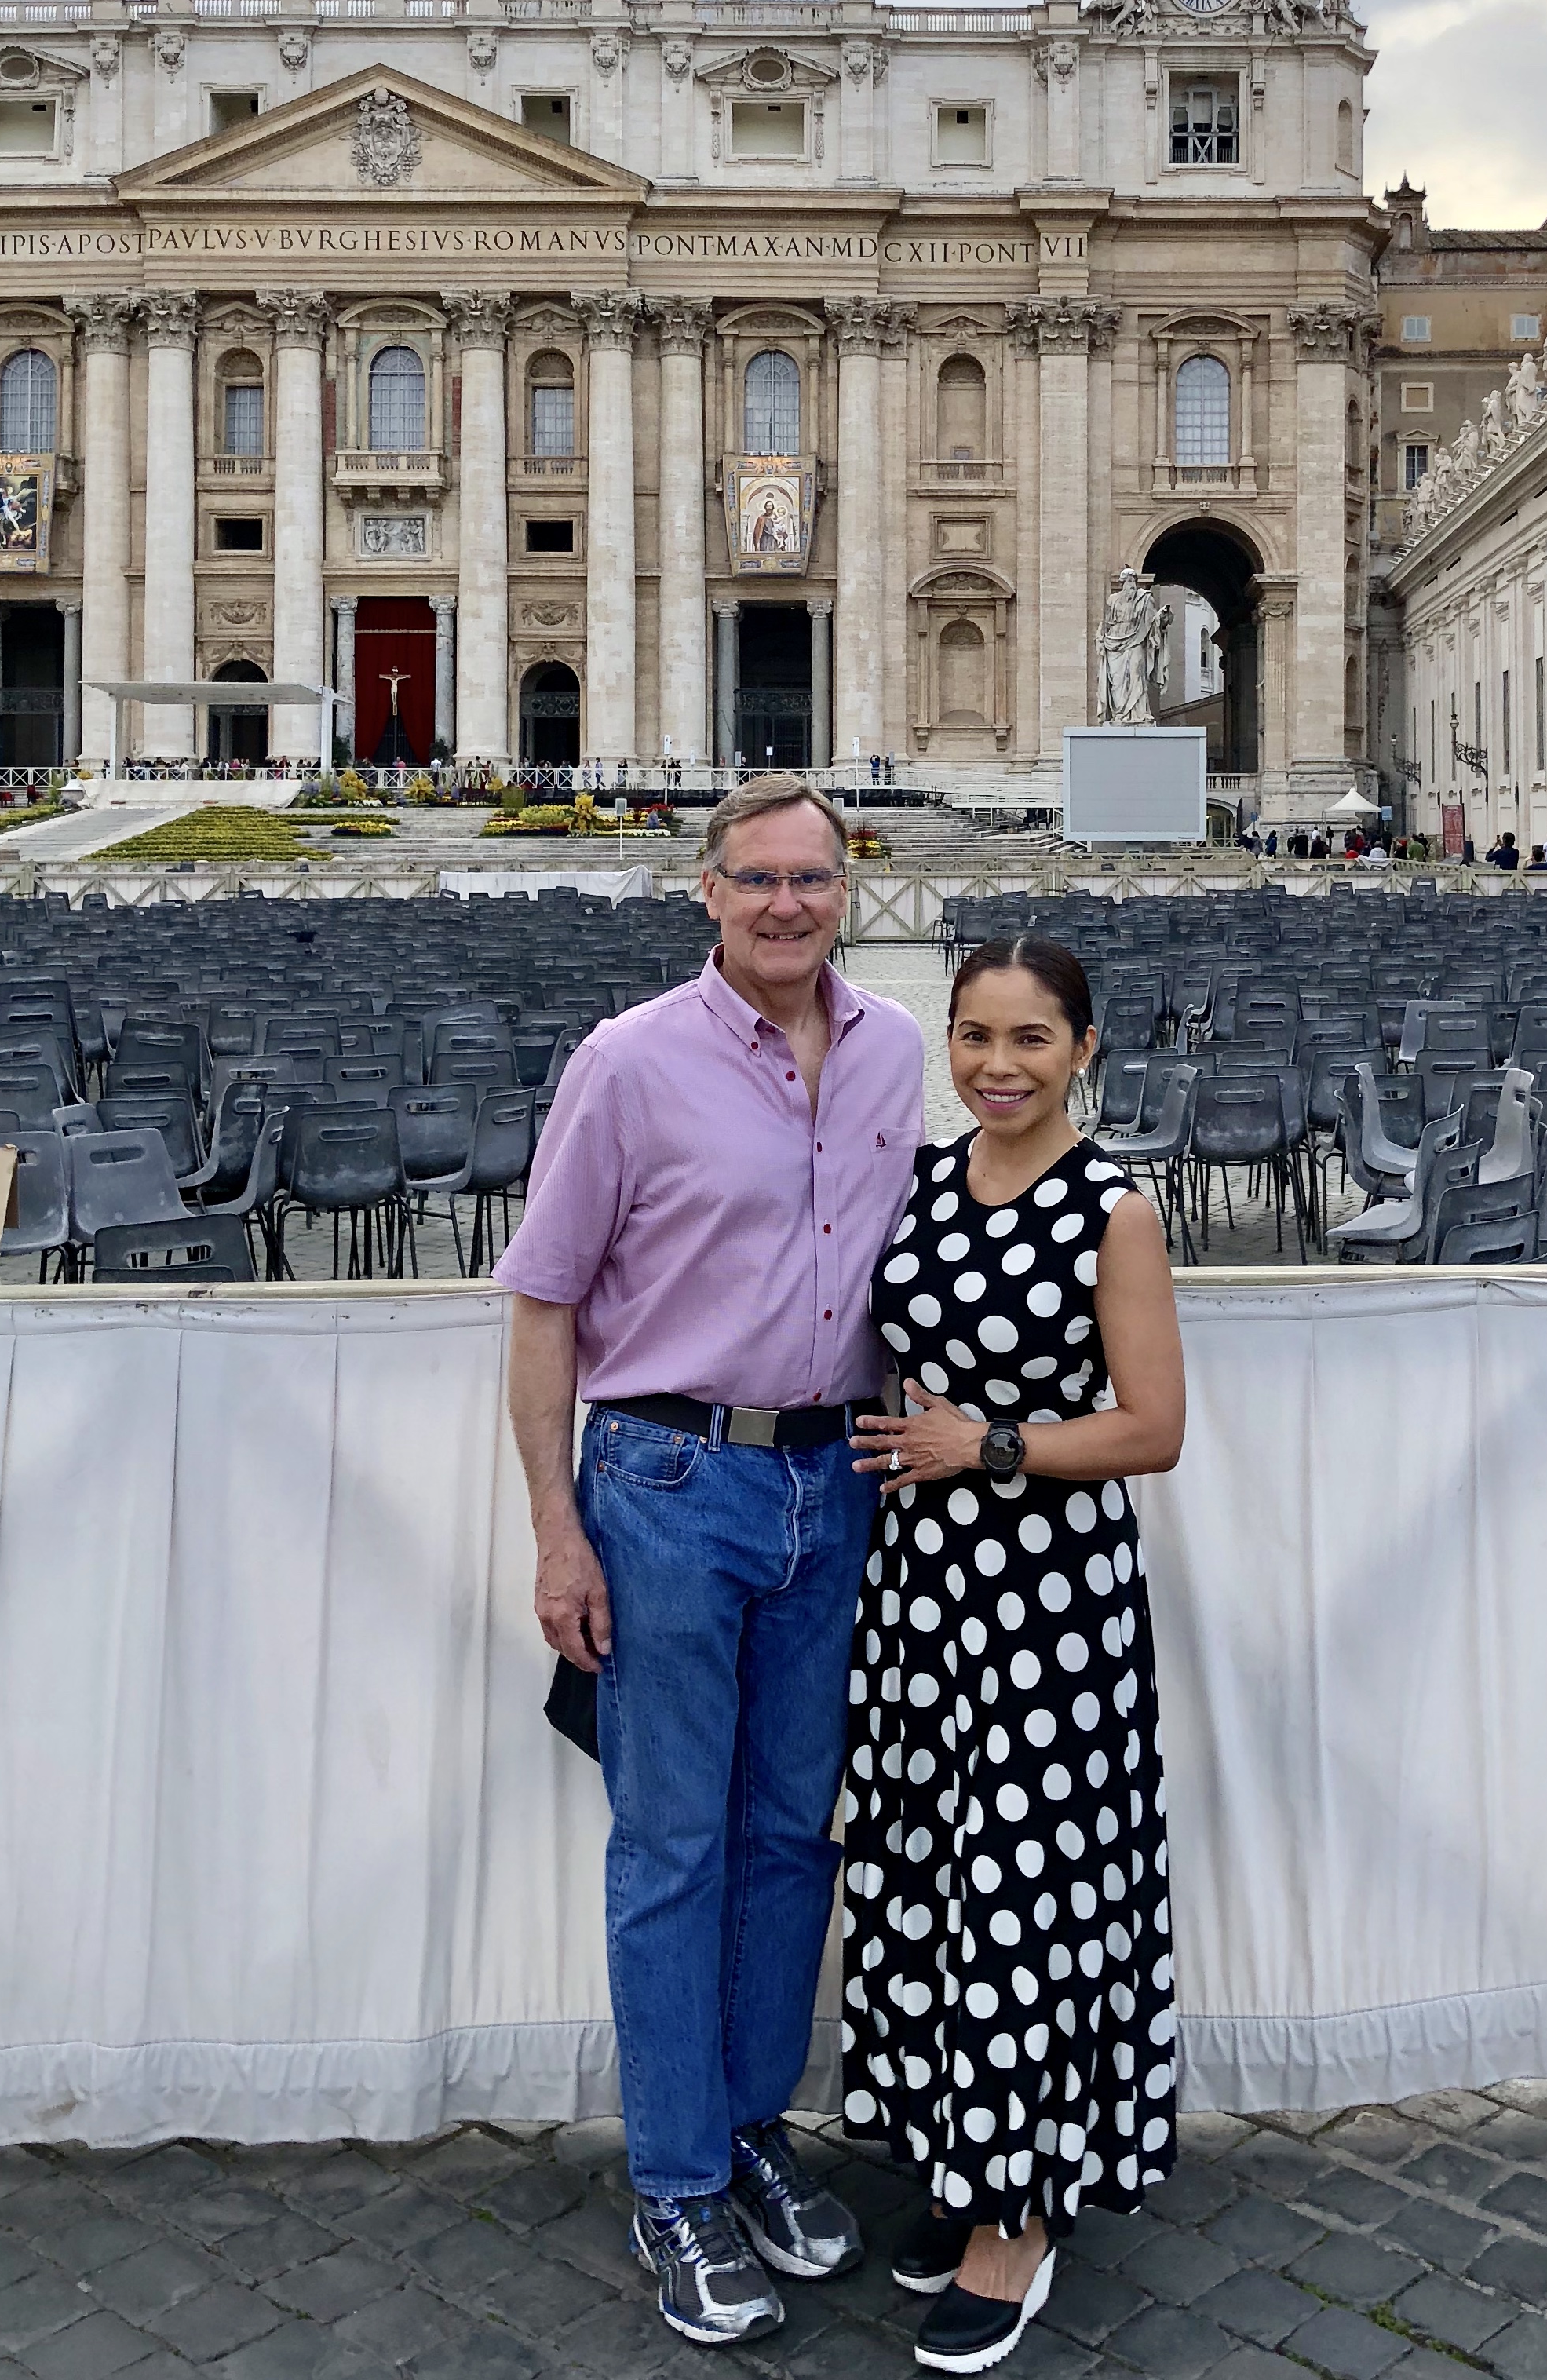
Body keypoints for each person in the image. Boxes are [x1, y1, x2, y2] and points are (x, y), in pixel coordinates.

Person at [497, 772, 925, 2349]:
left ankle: (751, 2131)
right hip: (667, 1485)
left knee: (790, 1839)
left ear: (844, 890)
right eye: (759, 879)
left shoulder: (894, 1051)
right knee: (672, 1846)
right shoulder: (627, 1061)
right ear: (709, 892)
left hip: (836, 1479)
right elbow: (544, 1303)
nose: (787, 904)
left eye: (812, 878)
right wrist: (557, 1530)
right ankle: (674, 2182)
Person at [844, 936, 1185, 2374]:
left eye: (1030, 1038)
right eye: (974, 1036)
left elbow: (1151, 1430)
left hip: (1049, 1599)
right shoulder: (924, 1180)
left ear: (1083, 1050)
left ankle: (1017, 2218)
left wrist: (981, 1445)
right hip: (923, 1590)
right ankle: (960, 2159)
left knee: (1023, 1896)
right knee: (931, 1875)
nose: (997, 1065)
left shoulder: (1114, 1208)